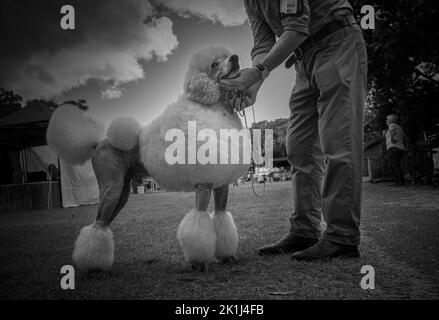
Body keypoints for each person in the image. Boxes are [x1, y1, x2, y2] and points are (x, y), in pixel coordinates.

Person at [220, 0, 367, 261]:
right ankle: (304, 230)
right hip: (303, 59)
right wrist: (255, 84)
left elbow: (296, 27)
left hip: (337, 41)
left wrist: (258, 71)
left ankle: (341, 237)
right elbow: (262, 43)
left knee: (339, 142)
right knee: (299, 147)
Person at [384, 114, 406, 186]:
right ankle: (398, 181)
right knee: (394, 165)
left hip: (394, 148)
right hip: (400, 148)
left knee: (394, 165)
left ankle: (400, 182)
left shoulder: (392, 125)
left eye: (387, 119)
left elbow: (392, 131)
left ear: (391, 120)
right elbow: (404, 136)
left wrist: (392, 138)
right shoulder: (399, 127)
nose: (386, 121)